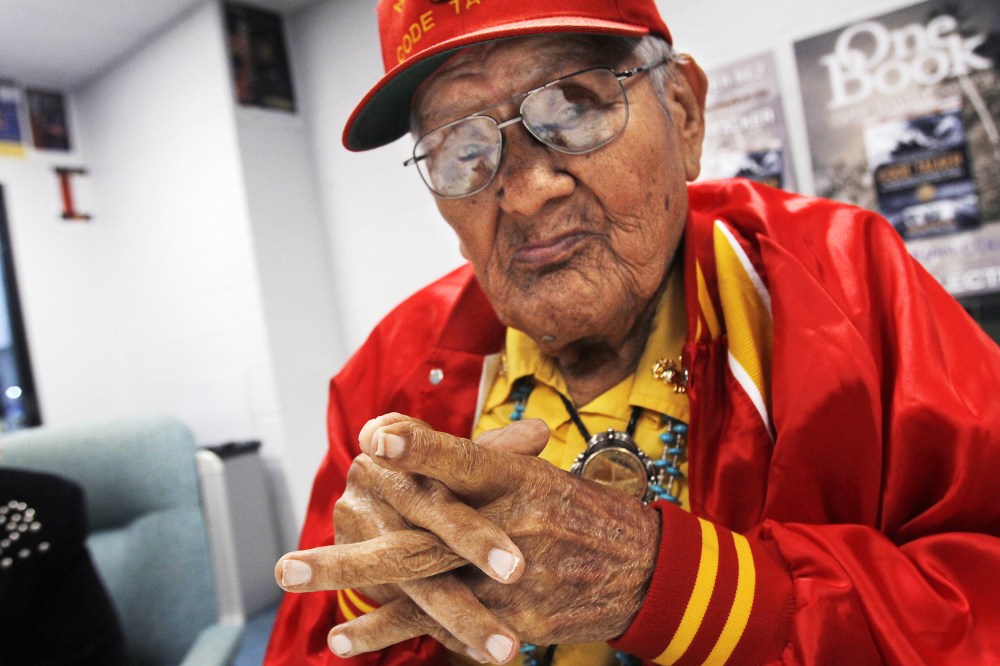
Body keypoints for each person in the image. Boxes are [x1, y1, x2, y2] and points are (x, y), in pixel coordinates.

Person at [264, 1, 1000, 664]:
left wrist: (671, 587)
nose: (522, 192)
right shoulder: (387, 377)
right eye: (463, 152)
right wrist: (375, 589)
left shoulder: (843, 286)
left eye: (572, 108)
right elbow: (313, 640)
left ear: (683, 112)